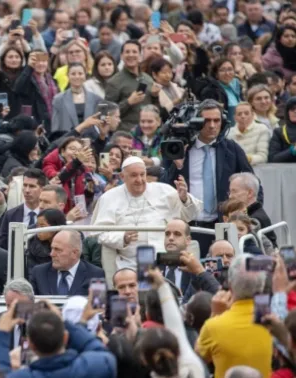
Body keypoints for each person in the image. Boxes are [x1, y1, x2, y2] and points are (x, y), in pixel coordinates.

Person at [164, 99, 258, 254]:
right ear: (196, 122)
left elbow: (253, 184)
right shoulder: (178, 147)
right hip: (189, 225)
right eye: (207, 120)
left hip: (223, 225)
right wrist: (178, 166)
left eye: (217, 120)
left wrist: (248, 214)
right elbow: (165, 186)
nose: (212, 125)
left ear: (224, 122)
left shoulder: (231, 148)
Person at [93, 156, 202, 288]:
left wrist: (184, 199)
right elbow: (100, 233)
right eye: (133, 175)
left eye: (142, 174)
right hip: (129, 262)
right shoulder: (109, 198)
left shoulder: (163, 190)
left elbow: (189, 216)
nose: (139, 180)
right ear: (122, 176)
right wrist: (122, 238)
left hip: (165, 260)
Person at [0, 301, 117, 377]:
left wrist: (1, 332)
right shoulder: (95, 367)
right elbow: (96, 348)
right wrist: (64, 322)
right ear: (66, 337)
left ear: (31, 345)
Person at [196, 254, 272, 378]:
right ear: (262, 285)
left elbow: (198, 357)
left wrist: (215, 314)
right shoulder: (276, 322)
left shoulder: (214, 326)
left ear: (230, 286)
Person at [30, 230, 105, 296]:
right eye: (52, 248)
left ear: (74, 253)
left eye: (57, 249)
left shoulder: (95, 274)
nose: (51, 254)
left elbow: (98, 307)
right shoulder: (39, 273)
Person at [105, 40, 158, 131]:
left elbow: (156, 109)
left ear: (140, 56)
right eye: (127, 52)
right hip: (125, 134)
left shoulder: (148, 79)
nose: (131, 55)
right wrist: (128, 102)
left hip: (148, 132)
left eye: (134, 52)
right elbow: (107, 114)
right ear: (121, 56)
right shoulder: (114, 82)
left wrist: (155, 96)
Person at [0, 169, 47, 249]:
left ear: (42, 189)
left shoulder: (48, 215)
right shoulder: (10, 215)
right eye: (25, 185)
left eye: (32, 186)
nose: (27, 190)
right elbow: (1, 246)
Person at [51, 63, 102, 133]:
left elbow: (99, 126)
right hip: (67, 140)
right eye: (73, 74)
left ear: (85, 76)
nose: (77, 77)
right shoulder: (58, 99)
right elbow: (55, 128)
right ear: (68, 76)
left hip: (90, 141)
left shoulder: (96, 99)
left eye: (80, 73)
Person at [228, 172, 276, 246]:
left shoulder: (255, 220)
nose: (230, 196)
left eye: (234, 191)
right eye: (230, 192)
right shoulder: (255, 213)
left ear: (250, 193)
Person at [160, 219, 195, 295]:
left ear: (188, 240)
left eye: (177, 234)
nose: (171, 238)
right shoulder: (153, 268)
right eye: (167, 234)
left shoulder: (196, 269)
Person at [268, 97, 296, 163]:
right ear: (287, 112)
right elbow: (273, 159)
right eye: (292, 109)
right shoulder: (279, 132)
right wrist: (292, 151)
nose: (295, 111)